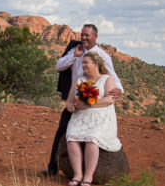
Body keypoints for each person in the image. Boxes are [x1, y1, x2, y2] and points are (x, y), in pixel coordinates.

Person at [40, 23, 123, 177]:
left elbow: (114, 78)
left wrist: (119, 90)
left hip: (93, 106)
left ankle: (88, 173)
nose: (84, 38)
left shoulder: (103, 56)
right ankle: (53, 168)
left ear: (95, 37)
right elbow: (59, 66)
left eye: (87, 35)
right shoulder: (75, 50)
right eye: (82, 34)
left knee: (91, 136)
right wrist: (74, 56)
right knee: (61, 132)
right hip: (76, 101)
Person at [65, 51, 122, 186]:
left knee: (92, 138)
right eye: (83, 62)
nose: (83, 65)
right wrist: (71, 107)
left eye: (86, 62)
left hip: (101, 117)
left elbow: (110, 99)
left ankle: (88, 176)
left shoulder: (107, 79)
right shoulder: (79, 80)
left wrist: (90, 104)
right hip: (80, 116)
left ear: (96, 64)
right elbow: (69, 100)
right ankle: (77, 174)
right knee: (71, 137)